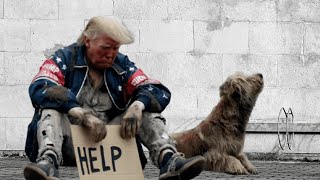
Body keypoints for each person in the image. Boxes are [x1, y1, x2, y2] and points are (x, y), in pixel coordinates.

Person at [23, 16, 205, 180]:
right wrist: (81, 114)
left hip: (111, 145)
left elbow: (155, 89)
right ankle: (48, 162)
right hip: (68, 142)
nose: (110, 54)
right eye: (105, 48)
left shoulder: (122, 64)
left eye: (115, 48)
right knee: (50, 107)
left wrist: (137, 106)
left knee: (145, 108)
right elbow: (41, 85)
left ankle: (169, 160)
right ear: (87, 41)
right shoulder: (64, 58)